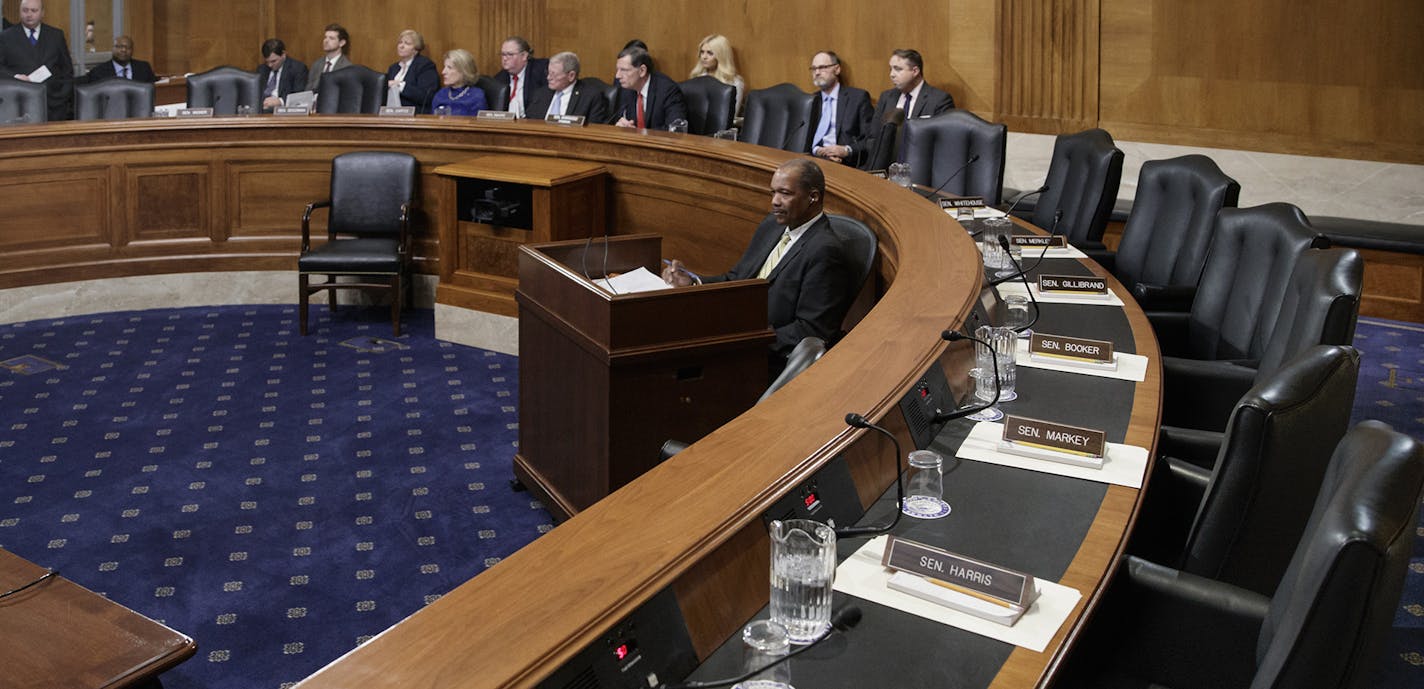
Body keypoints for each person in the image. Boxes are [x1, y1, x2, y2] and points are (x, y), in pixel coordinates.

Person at [661, 158, 854, 374]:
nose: (775, 201)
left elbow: (810, 330)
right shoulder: (772, 225)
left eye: (785, 193)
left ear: (813, 197)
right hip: (737, 327)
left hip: (764, 356)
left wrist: (747, 338)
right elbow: (737, 279)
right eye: (773, 193)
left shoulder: (825, 251)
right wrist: (694, 282)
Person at [862, 49, 954, 166]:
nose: (891, 74)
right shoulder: (887, 97)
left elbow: (942, 145)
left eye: (898, 69)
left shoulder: (939, 100)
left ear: (915, 71)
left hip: (918, 171)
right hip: (883, 170)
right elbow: (873, 137)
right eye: (891, 69)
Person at [0, 0, 74, 120]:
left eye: (34, 10)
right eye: (25, 10)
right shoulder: (6, 37)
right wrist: (15, 76)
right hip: (19, 105)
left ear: (42, 13)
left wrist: (62, 97)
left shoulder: (56, 35)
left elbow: (67, 70)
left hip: (53, 105)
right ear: (20, 12)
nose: (29, 14)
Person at [805, 51, 873, 166]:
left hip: (847, 163)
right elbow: (805, 139)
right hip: (816, 162)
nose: (817, 73)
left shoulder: (857, 98)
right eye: (814, 68)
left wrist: (846, 150)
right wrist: (818, 151)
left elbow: (870, 139)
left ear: (837, 69)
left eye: (822, 67)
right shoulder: (810, 101)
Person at [613, 45, 687, 130]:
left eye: (624, 70)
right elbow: (620, 119)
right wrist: (621, 126)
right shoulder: (625, 88)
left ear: (642, 71)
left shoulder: (668, 91)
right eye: (617, 70)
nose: (617, 76)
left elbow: (675, 129)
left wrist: (639, 134)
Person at [526, 51, 606, 122]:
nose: (548, 78)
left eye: (553, 74)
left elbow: (593, 129)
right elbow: (528, 121)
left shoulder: (590, 96)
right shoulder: (541, 93)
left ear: (571, 76)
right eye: (548, 72)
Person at [687, 34, 744, 117]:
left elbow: (731, 115)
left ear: (721, 55)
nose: (704, 57)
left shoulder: (734, 83)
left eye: (710, 53)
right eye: (702, 52)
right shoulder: (697, 78)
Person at [384, 29, 438, 113]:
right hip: (391, 113)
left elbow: (426, 96)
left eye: (407, 43)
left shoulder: (425, 65)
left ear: (416, 49)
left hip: (415, 114)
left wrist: (399, 85)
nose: (401, 46)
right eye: (400, 42)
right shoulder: (393, 68)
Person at [493, 36, 547, 118]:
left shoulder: (541, 71)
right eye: (503, 54)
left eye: (510, 54)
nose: (504, 58)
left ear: (524, 56)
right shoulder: (499, 79)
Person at [430, 48, 487, 117]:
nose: (443, 72)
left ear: (464, 71)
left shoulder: (476, 96)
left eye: (449, 68)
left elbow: (477, 125)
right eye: (444, 67)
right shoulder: (441, 94)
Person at [256, 38, 308, 112]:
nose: (270, 65)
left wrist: (280, 101)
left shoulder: (297, 68)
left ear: (283, 54)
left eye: (273, 61)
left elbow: (299, 96)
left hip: (283, 112)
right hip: (261, 110)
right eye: (267, 62)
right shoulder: (262, 69)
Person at [85, 34, 156, 83]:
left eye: (128, 47)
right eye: (119, 47)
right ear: (112, 49)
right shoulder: (98, 72)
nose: (123, 50)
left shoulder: (144, 68)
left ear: (132, 50)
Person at [305, 23, 351, 92]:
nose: (326, 41)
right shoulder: (317, 64)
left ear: (342, 43)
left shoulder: (347, 67)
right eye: (325, 37)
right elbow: (308, 90)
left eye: (331, 38)